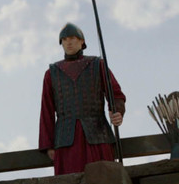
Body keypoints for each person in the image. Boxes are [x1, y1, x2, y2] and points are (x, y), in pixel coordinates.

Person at [39, 22, 126, 175]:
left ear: (82, 41)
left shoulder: (97, 65)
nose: (68, 42)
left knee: (104, 181)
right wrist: (49, 145)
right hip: (65, 142)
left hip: (98, 135)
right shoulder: (51, 73)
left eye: (72, 38)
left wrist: (117, 111)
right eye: (64, 39)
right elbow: (46, 110)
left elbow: (116, 94)